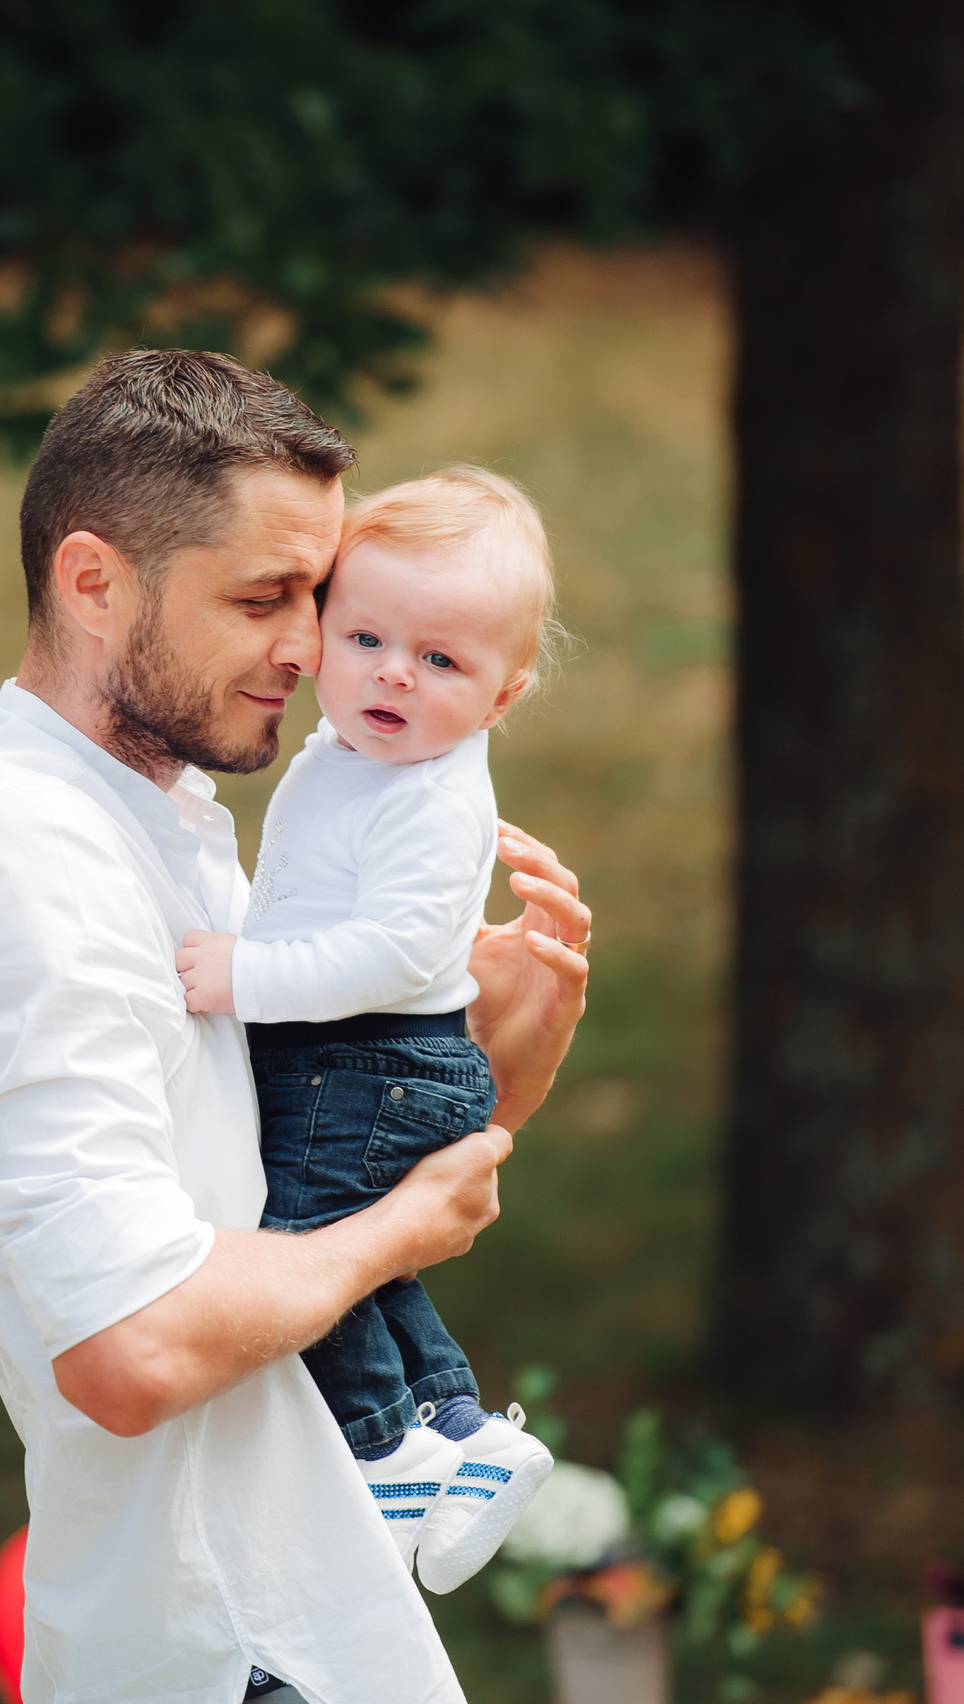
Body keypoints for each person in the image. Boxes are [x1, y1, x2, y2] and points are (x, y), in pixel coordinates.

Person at [0, 351, 591, 1704]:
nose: (309, 646)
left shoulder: (170, 825)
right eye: (264, 599)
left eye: (316, 597)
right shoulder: (31, 868)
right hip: (230, 1646)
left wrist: (496, 1064)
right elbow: (131, 1348)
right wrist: (407, 1230)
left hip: (304, 1614)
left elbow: (282, 1194)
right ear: (94, 584)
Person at [172, 467, 564, 1598]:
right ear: (322, 633)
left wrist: (246, 974)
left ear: (501, 695)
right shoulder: (361, 755)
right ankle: (462, 1429)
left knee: (298, 1247)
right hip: (367, 1063)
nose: (393, 672)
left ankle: (383, 1448)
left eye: (441, 661)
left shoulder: (432, 797)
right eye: (366, 637)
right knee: (371, 1258)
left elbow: (386, 954)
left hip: (372, 1062)